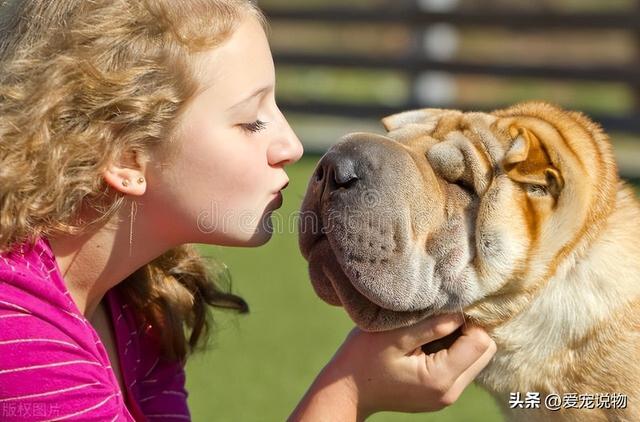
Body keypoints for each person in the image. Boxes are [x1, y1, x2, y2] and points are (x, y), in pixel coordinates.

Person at [0, 0, 497, 420]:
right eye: (250, 121)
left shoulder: (138, 302)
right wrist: (349, 392)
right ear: (126, 157)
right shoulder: (19, 343)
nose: (291, 145)